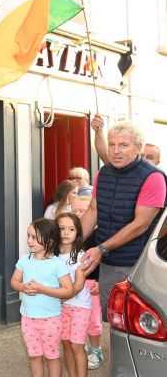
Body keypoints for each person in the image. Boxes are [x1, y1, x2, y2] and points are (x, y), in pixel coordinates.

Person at [80, 120, 167, 319]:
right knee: (113, 319)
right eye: (112, 144)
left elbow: (140, 224)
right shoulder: (103, 173)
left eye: (123, 145)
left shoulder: (153, 177)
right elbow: (93, 211)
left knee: (138, 323)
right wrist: (70, 245)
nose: (115, 150)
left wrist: (102, 248)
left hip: (139, 265)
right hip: (109, 262)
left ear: (138, 147)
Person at [11, 218, 74, 377]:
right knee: (34, 355)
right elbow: (14, 281)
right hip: (28, 318)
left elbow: (68, 290)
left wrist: (42, 289)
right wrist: (23, 288)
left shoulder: (57, 264)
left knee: (51, 356)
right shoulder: (25, 260)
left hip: (51, 319)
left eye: (33, 237)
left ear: (49, 241)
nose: (29, 240)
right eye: (28, 236)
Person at [71, 196, 104, 370]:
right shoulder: (69, 235)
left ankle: (96, 349)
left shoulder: (100, 235)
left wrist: (100, 280)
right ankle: (79, 344)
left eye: (81, 210)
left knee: (93, 320)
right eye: (74, 210)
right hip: (73, 286)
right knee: (74, 318)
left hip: (92, 285)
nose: (77, 214)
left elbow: (105, 259)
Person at [55, 213, 90, 377]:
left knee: (77, 345)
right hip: (60, 307)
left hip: (79, 306)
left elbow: (77, 286)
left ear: (77, 233)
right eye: (62, 229)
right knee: (66, 344)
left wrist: (59, 298)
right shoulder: (52, 257)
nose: (66, 233)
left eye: (71, 229)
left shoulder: (80, 257)